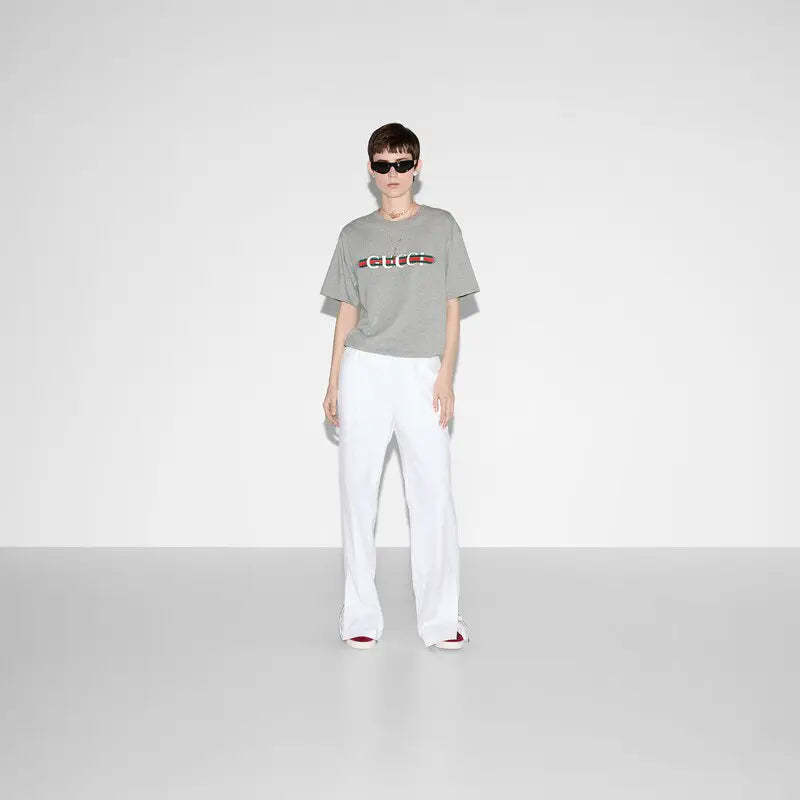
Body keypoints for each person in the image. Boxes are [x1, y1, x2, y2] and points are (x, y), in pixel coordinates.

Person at [320, 122, 480, 650]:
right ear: (371, 170)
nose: (393, 173)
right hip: (364, 369)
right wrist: (333, 380)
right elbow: (347, 311)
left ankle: (441, 618)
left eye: (402, 163)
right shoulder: (354, 235)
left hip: (420, 372)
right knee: (357, 493)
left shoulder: (441, 227)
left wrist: (445, 376)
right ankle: (359, 614)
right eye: (383, 164)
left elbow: (452, 307)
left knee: (432, 493)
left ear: (417, 167)